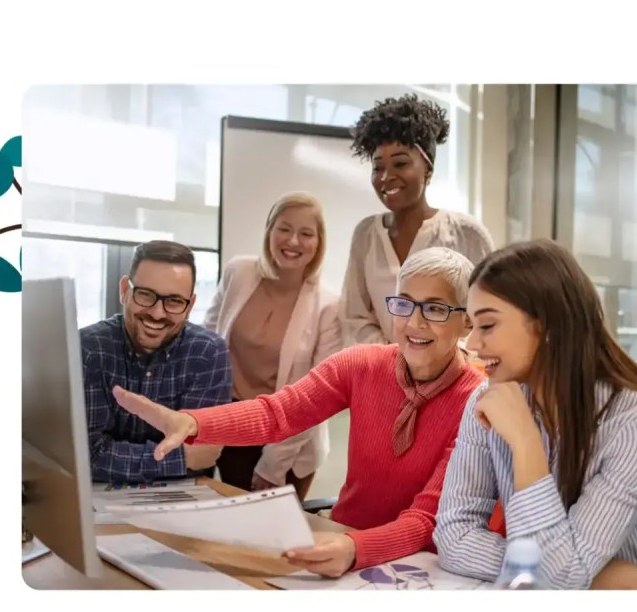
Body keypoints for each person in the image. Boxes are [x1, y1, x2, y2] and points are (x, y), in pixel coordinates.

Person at [112, 247, 484, 578]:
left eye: (435, 309)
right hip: (341, 540)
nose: (414, 323)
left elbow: (426, 520)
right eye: (404, 303)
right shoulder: (362, 364)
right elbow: (279, 414)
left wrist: (357, 550)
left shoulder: (477, 400)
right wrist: (194, 422)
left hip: (421, 567)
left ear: (467, 320)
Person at [433, 239, 637, 590]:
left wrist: (524, 441)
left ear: (549, 326)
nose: (472, 343)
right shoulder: (488, 399)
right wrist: (595, 576)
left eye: (487, 326)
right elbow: (453, 537)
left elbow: (561, 578)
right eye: (471, 326)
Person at [202, 192, 342, 500]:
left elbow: (317, 396)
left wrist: (273, 464)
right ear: (269, 230)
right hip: (233, 426)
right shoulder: (238, 272)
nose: (293, 241)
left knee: (276, 540)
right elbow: (207, 344)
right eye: (284, 228)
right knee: (230, 534)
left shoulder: (329, 305)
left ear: (319, 243)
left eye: (306, 234)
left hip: (290, 442)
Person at [340, 93, 495, 346]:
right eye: (378, 167)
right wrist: (395, 361)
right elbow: (354, 316)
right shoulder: (366, 234)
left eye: (400, 164)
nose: (386, 176)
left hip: (453, 376)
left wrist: (435, 362)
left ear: (428, 171)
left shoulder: (466, 234)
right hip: (383, 376)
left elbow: (487, 314)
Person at [80, 240, 230, 484]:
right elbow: (87, 456)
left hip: (180, 502)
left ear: (190, 306)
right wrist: (179, 458)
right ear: (124, 291)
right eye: (145, 295)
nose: (157, 313)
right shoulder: (87, 348)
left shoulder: (208, 353)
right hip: (97, 502)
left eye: (173, 301)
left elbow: (203, 455)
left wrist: (117, 456)